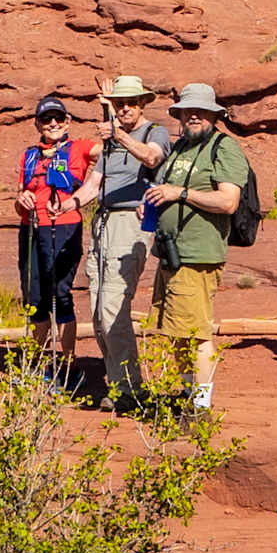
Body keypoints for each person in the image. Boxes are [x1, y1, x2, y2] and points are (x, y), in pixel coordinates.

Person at [148, 82, 257, 416]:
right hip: (170, 253)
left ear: (214, 115)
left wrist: (179, 194)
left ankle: (201, 406)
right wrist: (153, 204)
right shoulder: (181, 148)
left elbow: (228, 201)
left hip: (198, 254)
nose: (193, 116)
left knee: (196, 332)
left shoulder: (224, 148)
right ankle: (187, 394)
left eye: (201, 112)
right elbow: (166, 189)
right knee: (177, 332)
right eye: (187, 111)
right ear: (179, 114)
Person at [89, 75, 170, 407]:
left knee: (113, 305)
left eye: (130, 103)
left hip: (131, 224)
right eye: (119, 103)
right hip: (102, 221)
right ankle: (118, 383)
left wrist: (118, 133)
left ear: (143, 104)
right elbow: (94, 184)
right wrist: (65, 205)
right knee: (97, 310)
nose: (124, 108)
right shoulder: (111, 140)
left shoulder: (155, 132)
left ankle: (130, 389)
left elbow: (152, 159)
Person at [15, 93, 95, 377]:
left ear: (68, 121)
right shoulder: (29, 155)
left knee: (60, 294)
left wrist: (110, 113)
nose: (52, 123)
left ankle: (69, 364)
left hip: (64, 226)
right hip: (31, 227)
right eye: (46, 119)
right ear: (37, 124)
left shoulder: (80, 148)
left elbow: (108, 151)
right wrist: (22, 198)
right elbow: (20, 196)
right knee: (34, 297)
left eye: (58, 118)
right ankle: (38, 364)